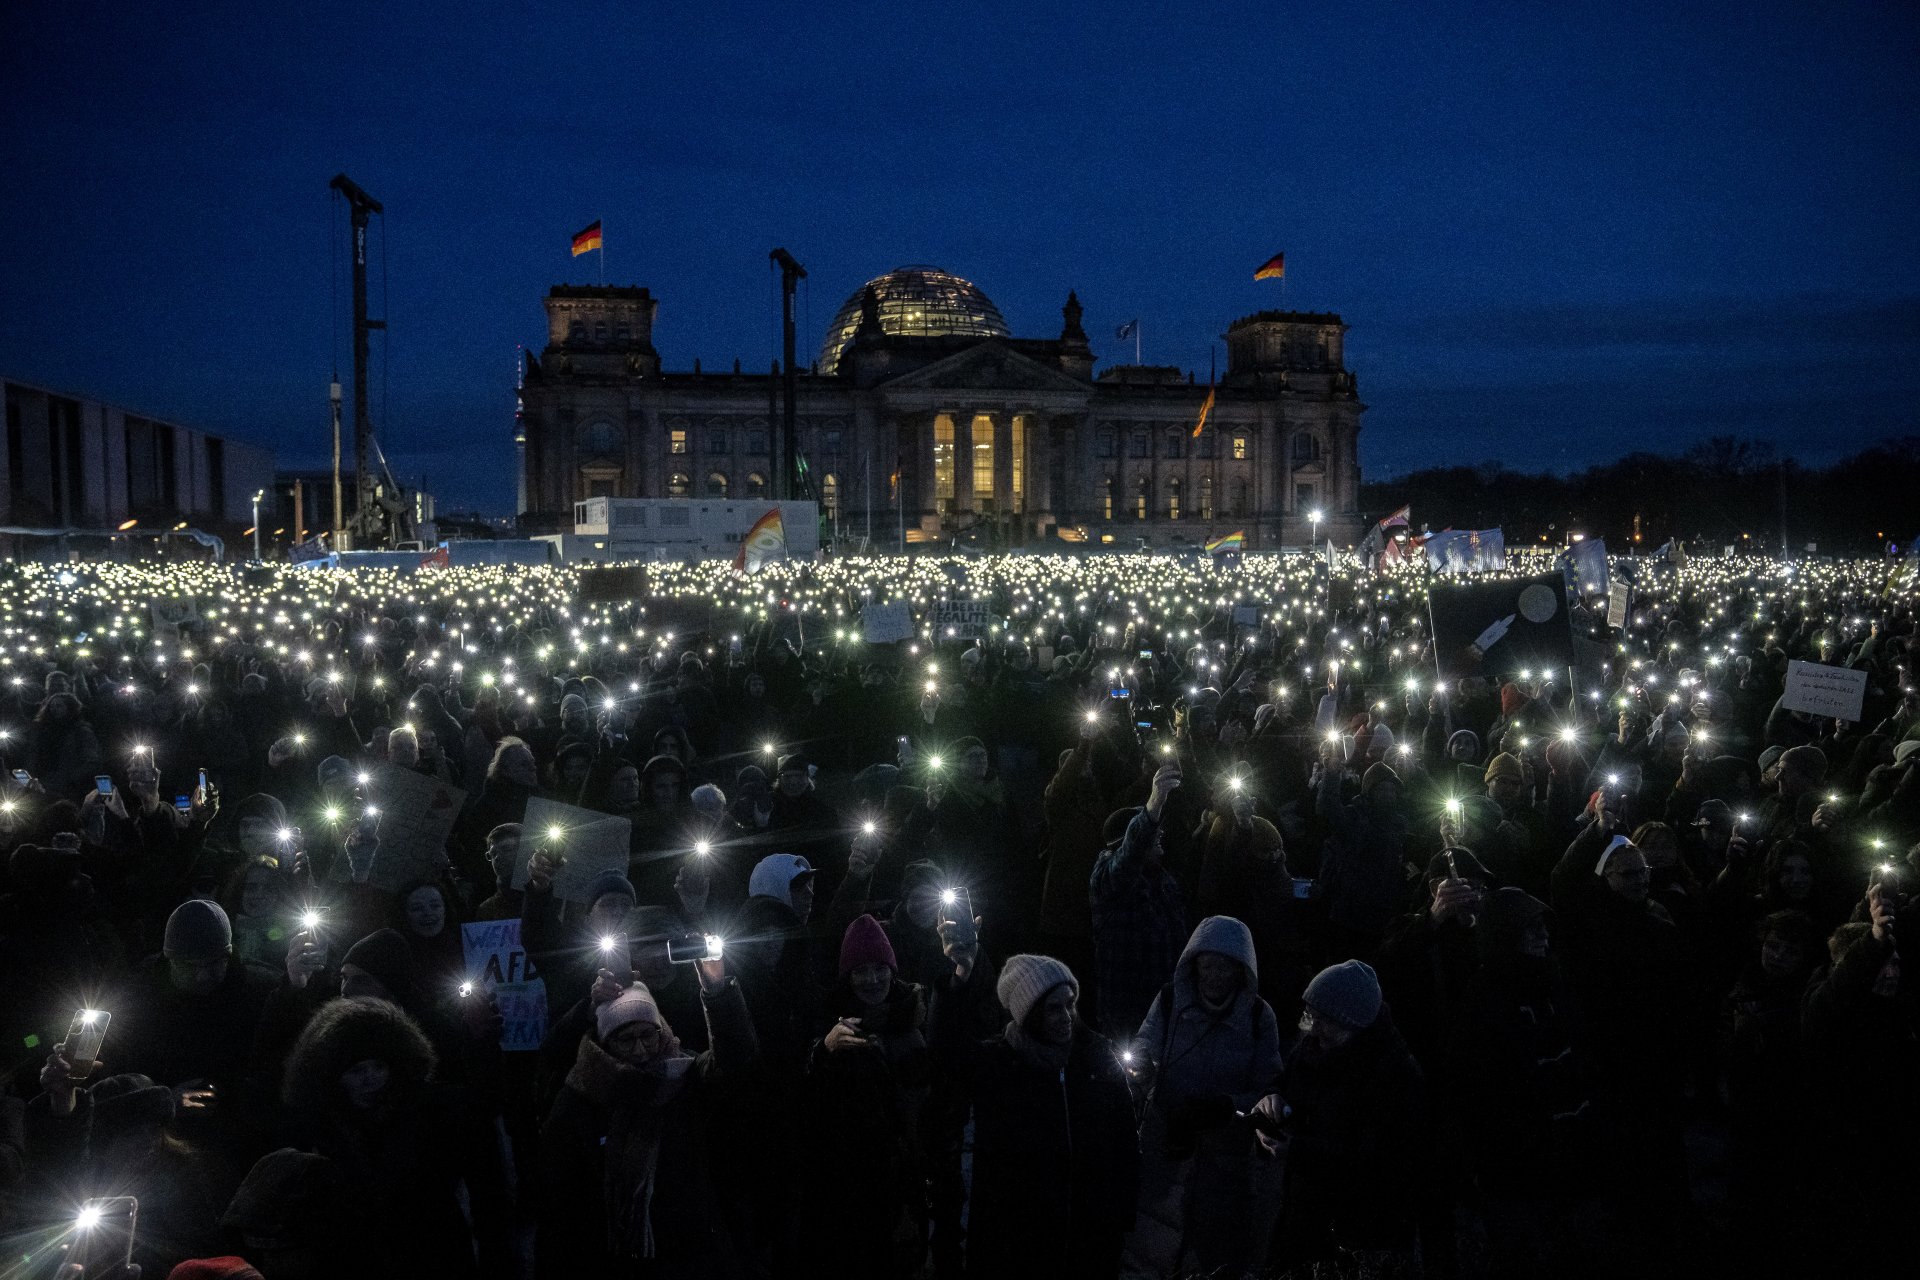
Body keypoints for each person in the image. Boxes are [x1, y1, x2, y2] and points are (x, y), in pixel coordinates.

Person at [535, 957, 754, 1277]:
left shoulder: (682, 1075)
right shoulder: (579, 1100)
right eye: (626, 1039)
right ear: (605, 1041)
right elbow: (559, 1210)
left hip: (691, 1254)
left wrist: (718, 992)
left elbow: (736, 1062)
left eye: (647, 1035)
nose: (640, 1051)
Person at [928, 949, 1139, 1279]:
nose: (1067, 1016)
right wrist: (960, 977)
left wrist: (1120, 1218)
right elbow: (945, 1052)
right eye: (1053, 1008)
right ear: (1029, 1014)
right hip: (1021, 1247)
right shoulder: (999, 1064)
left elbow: (1125, 1142)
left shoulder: (1094, 1058)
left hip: (1089, 1243)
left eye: (1069, 1004)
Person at [280, 997, 513, 1280]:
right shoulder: (323, 1124)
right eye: (356, 1071)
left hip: (436, 1259)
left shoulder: (433, 1112)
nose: (370, 1080)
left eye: (377, 1067)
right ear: (332, 1075)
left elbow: (489, 1198)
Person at [1125, 915, 1282, 1279]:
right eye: (1207, 965)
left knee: (1213, 1249)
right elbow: (1145, 1044)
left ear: (1240, 970)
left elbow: (1269, 1086)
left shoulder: (1259, 1017)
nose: (1214, 975)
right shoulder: (1169, 1001)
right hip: (1165, 1143)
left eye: (1224, 967)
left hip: (1224, 1155)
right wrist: (1143, 1068)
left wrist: (1228, 1107)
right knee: (1152, 1240)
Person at [1251, 960, 1427, 1277]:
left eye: (1326, 1021)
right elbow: (1285, 1084)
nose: (1314, 1029)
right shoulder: (1312, 1048)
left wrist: (1299, 1151)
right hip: (1302, 1217)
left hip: (1360, 1233)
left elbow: (1380, 1162)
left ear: (1356, 1024)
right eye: (1310, 1017)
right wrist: (1271, 1099)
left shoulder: (1393, 1074)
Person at [798, 915, 932, 1276]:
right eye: (860, 971)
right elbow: (811, 1107)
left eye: (879, 968)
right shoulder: (830, 1024)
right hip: (854, 1187)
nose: (872, 980)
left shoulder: (915, 1012)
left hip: (913, 1172)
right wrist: (823, 1053)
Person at [1089, 760, 1188, 1039]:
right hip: (1127, 1008)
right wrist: (1154, 803)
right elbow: (1129, 856)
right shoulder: (1108, 877)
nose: (1160, 834)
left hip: (1166, 1000)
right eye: (1152, 830)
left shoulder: (1163, 879)